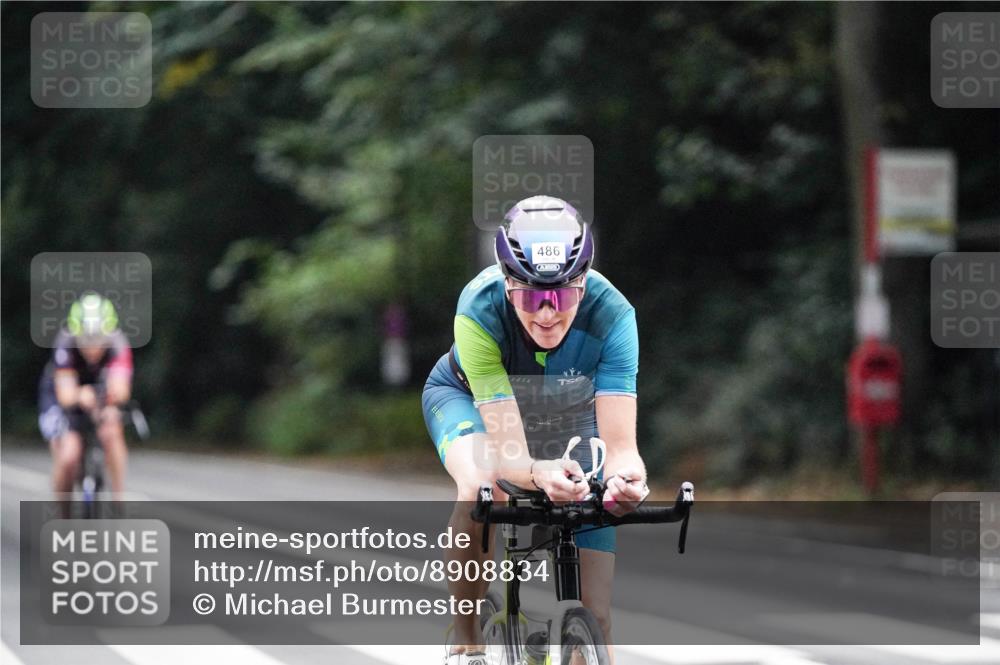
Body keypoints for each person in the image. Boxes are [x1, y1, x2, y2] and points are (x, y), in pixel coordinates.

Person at [422, 196, 650, 665]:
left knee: (598, 615)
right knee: (485, 486)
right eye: (530, 295)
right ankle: (466, 641)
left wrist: (629, 480)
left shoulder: (614, 316)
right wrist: (538, 471)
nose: (547, 313)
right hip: (466, 398)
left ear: (584, 283)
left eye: (563, 294)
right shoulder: (478, 311)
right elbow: (508, 457)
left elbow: (621, 446)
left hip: (565, 410)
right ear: (507, 284)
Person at [39, 291, 133, 503]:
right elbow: (65, 395)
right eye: (86, 339)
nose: (92, 347)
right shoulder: (65, 342)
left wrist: (110, 400)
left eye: (98, 339)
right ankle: (63, 517)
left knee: (112, 429)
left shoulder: (118, 343)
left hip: (97, 391)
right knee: (68, 456)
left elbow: (121, 389)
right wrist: (80, 395)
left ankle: (120, 500)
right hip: (61, 393)